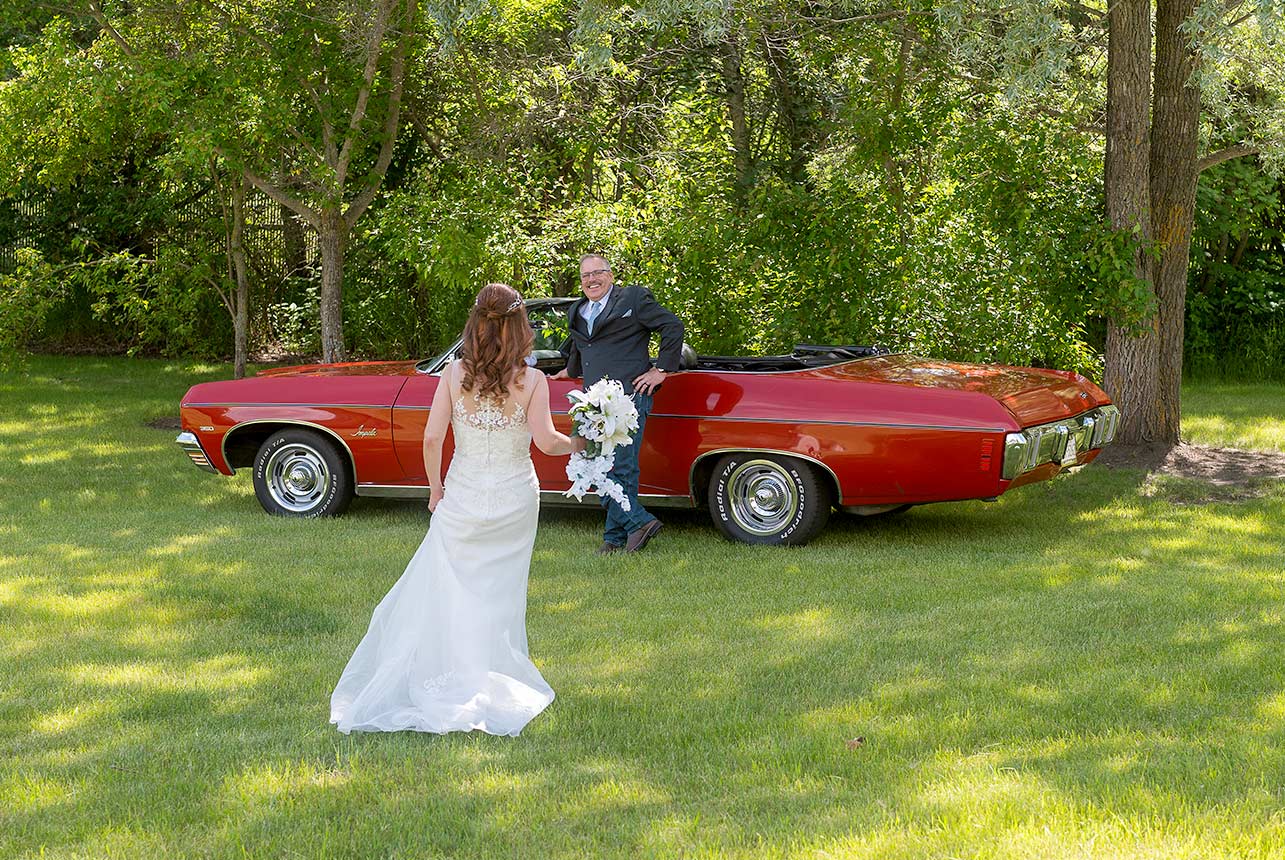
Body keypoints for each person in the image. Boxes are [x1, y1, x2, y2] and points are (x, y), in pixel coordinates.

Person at [331, 283, 585, 736]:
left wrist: (434, 490)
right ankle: (487, 673)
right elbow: (547, 442)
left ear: (475, 324)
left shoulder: (452, 374)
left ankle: (453, 673)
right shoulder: (532, 381)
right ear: (520, 326)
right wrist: (580, 444)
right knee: (500, 592)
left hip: (463, 495)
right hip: (512, 499)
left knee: (452, 586)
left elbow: (432, 438)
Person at [553, 254, 685, 555]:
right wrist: (570, 372)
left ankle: (613, 538)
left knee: (621, 468)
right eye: (585, 275)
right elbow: (580, 345)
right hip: (590, 402)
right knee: (589, 464)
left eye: (597, 273)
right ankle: (638, 522)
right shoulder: (578, 309)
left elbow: (672, 327)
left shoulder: (633, 298)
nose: (591, 279)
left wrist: (661, 370)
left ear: (610, 275)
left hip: (628, 397)